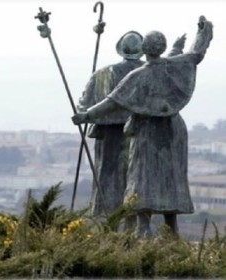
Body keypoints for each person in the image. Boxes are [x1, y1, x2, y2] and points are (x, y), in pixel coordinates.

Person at [72, 16, 213, 238]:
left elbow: (112, 102)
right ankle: (171, 229)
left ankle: (143, 227)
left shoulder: (138, 75)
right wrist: (203, 32)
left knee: (143, 176)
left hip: (147, 129)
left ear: (144, 50)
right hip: (172, 128)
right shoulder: (174, 65)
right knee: (171, 177)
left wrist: (86, 115)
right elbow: (197, 54)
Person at [78, 31, 144, 226]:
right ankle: (133, 227)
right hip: (141, 135)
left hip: (109, 138)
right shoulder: (149, 73)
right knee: (136, 181)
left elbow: (83, 107)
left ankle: (109, 226)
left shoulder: (102, 75)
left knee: (107, 181)